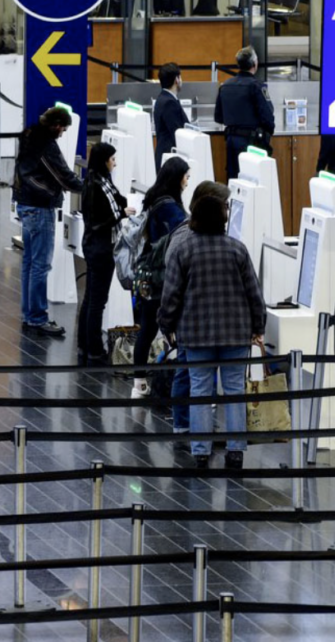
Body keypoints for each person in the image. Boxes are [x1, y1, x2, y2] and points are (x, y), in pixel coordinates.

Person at [158, 186, 267, 469]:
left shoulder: (185, 250)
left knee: (200, 392)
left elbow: (171, 294)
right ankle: (235, 451)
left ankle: (201, 452)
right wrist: (258, 326)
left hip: (196, 335)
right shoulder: (237, 249)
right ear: (222, 219)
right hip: (235, 333)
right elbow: (254, 293)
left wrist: (166, 324)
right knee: (234, 391)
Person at [13, 106, 81, 339]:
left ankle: (28, 314)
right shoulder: (46, 144)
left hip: (24, 205)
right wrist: (90, 186)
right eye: (63, 128)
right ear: (56, 125)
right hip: (40, 208)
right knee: (41, 265)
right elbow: (63, 175)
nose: (63, 133)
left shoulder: (29, 134)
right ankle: (37, 318)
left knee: (29, 264)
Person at [131, 156, 190, 398]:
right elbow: (184, 232)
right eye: (186, 177)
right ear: (177, 178)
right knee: (163, 328)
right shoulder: (170, 208)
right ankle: (170, 383)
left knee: (146, 329)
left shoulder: (154, 198)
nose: (187, 181)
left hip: (148, 275)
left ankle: (139, 383)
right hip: (162, 278)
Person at [78, 142, 135, 364]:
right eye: (112, 160)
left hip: (98, 247)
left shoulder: (102, 181)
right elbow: (97, 221)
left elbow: (117, 199)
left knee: (91, 299)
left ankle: (85, 346)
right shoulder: (95, 185)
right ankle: (94, 350)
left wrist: (123, 207)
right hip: (100, 248)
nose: (115, 163)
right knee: (97, 301)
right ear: (104, 161)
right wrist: (121, 214)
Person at [214, 47, 275, 182]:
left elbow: (218, 117)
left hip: (231, 142)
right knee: (253, 182)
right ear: (254, 64)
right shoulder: (257, 86)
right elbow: (268, 117)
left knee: (234, 182)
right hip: (253, 144)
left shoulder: (225, 86)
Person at [153, 63, 187, 169]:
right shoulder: (169, 103)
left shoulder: (163, 98)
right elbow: (177, 133)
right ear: (176, 80)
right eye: (180, 77)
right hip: (170, 160)